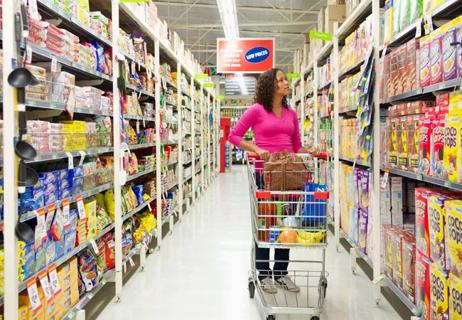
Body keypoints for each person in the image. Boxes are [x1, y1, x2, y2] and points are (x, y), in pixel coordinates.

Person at [228, 68, 310, 294]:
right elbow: (233, 136)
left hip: (289, 176)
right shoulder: (256, 111)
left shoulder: (291, 113)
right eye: (281, 80)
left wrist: (309, 152)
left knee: (286, 224)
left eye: (286, 79)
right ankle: (263, 274)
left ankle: (281, 273)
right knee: (265, 224)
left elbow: (295, 146)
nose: (286, 83)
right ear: (270, 86)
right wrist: (256, 149)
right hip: (265, 174)